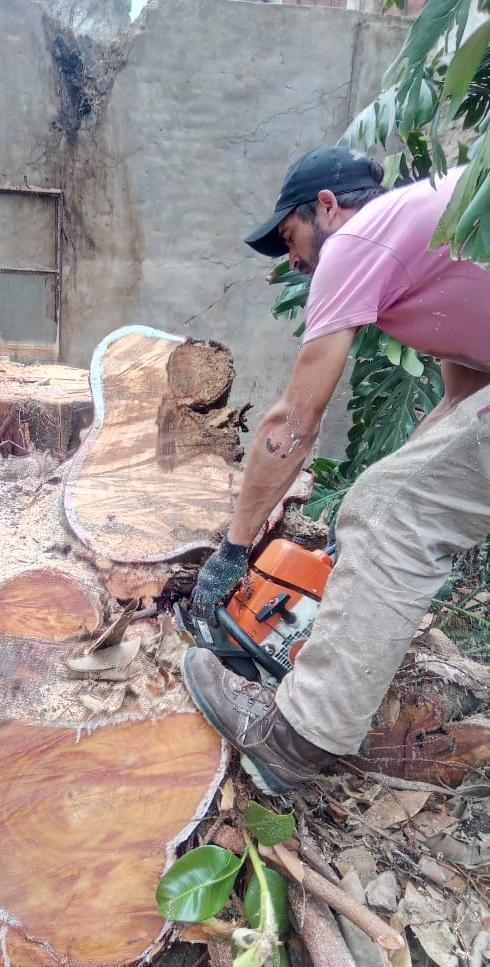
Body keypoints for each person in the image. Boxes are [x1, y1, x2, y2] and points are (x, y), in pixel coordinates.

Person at [183, 145, 490, 796]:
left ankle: (296, 737)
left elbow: (295, 422)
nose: (292, 261)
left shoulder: (357, 242)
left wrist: (234, 548)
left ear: (327, 206)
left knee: (388, 512)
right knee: (384, 503)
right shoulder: (427, 239)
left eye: (290, 237)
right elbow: (461, 402)